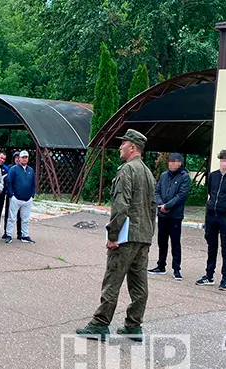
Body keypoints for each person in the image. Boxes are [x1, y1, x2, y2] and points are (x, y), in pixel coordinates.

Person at [75, 130, 156, 342]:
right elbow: (153, 208)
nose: (120, 147)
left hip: (127, 237)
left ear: (132, 147)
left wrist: (113, 235)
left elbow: (121, 205)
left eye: (123, 144)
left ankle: (100, 325)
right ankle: (133, 325)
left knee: (113, 279)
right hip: (143, 236)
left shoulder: (127, 170)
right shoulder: (148, 172)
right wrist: (148, 235)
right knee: (139, 284)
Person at [196, 149, 226, 291]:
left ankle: (225, 279)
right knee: (212, 246)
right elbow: (210, 193)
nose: (223, 163)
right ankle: (209, 275)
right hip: (212, 216)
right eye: (221, 160)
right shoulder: (213, 176)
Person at [149, 153, 190, 280]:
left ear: (180, 163)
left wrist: (168, 206)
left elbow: (181, 195)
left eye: (174, 162)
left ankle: (176, 269)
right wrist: (161, 205)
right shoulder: (163, 176)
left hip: (175, 216)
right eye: (170, 161)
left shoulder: (184, 177)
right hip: (162, 214)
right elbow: (157, 191)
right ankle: (161, 266)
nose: (171, 164)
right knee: (162, 241)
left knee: (175, 242)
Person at [5, 151, 36, 244]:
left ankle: (25, 235)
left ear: (28, 158)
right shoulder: (14, 169)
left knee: (25, 219)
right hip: (16, 198)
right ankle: (9, 235)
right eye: (23, 157)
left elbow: (33, 184)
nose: (24, 159)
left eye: (26, 157)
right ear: (19, 158)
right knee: (11, 217)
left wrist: (32, 195)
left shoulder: (31, 170)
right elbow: (9, 182)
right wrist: (11, 194)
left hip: (27, 199)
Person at [2, 152, 23, 241]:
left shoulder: (24, 168)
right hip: (10, 194)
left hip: (20, 194)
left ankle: (20, 233)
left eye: (19, 157)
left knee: (20, 215)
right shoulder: (10, 168)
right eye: (16, 158)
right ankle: (7, 232)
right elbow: (6, 180)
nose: (17, 159)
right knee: (8, 214)